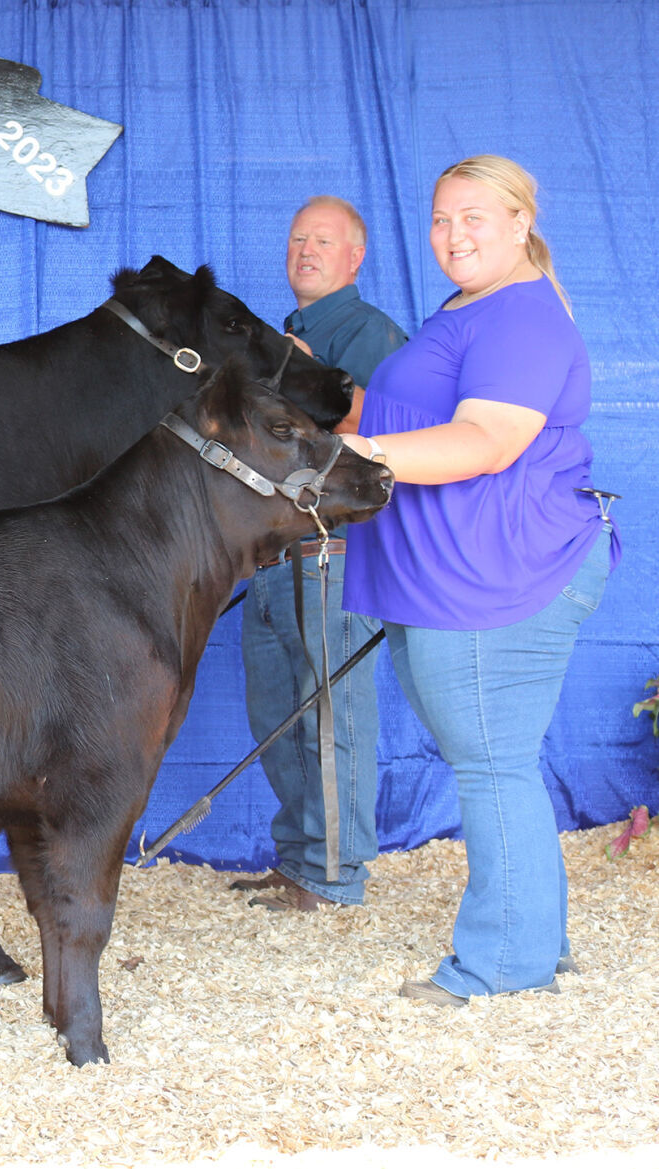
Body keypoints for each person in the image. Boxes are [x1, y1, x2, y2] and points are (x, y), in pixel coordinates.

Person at [339, 155, 617, 1003]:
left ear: (520, 222)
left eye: (473, 218)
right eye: (438, 220)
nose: (452, 236)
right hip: (448, 574)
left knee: (492, 765)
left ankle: (503, 964)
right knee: (491, 760)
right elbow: (405, 411)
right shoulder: (468, 308)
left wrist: (347, 458)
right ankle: (536, 937)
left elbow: (485, 442)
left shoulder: (522, 320)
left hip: (498, 575)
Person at [237, 197, 408, 913]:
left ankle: (335, 875)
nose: (304, 249)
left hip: (331, 552)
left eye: (323, 239)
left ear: (354, 257)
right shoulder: (286, 333)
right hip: (271, 551)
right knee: (276, 713)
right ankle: (301, 860)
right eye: (296, 236)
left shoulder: (367, 333)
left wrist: (313, 379)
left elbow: (400, 428)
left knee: (329, 714)